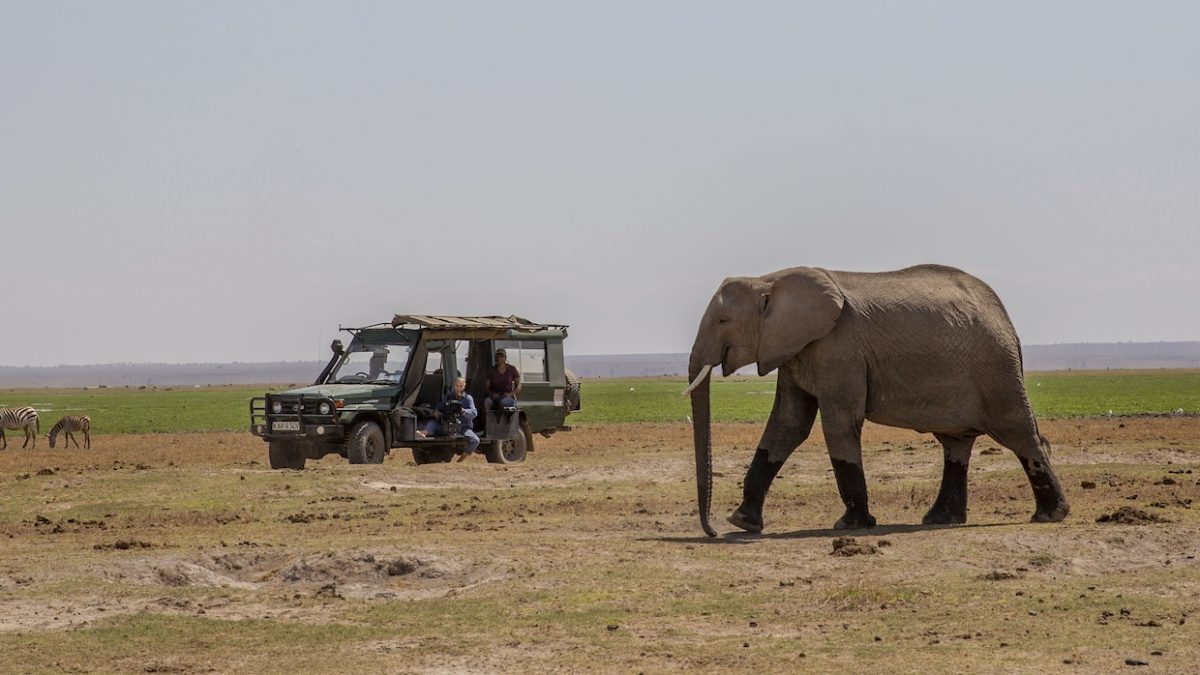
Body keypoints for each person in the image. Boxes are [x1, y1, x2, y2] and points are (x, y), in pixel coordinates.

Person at [420, 377, 480, 459]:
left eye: (461, 386)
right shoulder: (448, 396)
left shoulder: (468, 398)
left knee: (475, 440)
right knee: (432, 424)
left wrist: (463, 411)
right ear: (454, 385)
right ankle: (423, 433)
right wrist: (436, 412)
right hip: (447, 425)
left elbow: (474, 413)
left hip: (462, 427)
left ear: (464, 386)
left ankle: (462, 458)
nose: (458, 388)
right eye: (457, 386)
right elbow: (440, 406)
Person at [484, 347, 521, 414]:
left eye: (501, 356)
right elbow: (486, 388)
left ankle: (504, 419)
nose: (499, 358)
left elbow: (518, 386)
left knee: (503, 402)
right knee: (487, 402)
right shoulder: (491, 370)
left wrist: (510, 394)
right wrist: (492, 394)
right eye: (497, 356)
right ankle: (489, 419)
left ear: (505, 357)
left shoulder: (512, 369)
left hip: (508, 397)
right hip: (495, 397)